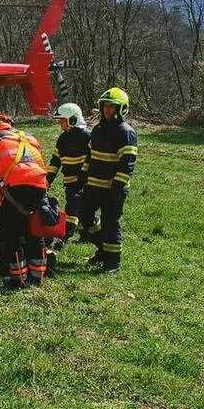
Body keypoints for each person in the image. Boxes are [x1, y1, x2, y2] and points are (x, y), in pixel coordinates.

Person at [0, 113, 49, 288]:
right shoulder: (29, 137)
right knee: (34, 232)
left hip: (17, 188)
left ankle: (18, 279)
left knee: (11, 233)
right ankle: (38, 276)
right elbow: (41, 165)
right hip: (40, 186)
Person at [80, 88, 137, 272]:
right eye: (105, 106)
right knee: (85, 217)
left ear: (122, 109)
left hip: (113, 188)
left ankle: (113, 261)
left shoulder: (125, 132)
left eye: (112, 106)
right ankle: (103, 249)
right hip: (93, 185)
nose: (107, 110)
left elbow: (127, 163)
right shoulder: (97, 130)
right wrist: (83, 174)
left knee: (111, 223)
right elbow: (90, 156)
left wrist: (118, 186)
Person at [45, 102, 91, 244]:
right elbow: (55, 162)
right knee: (82, 211)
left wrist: (83, 175)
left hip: (85, 181)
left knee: (73, 207)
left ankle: (65, 236)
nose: (60, 124)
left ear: (72, 119)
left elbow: (93, 158)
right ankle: (90, 233)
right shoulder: (63, 139)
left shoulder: (87, 136)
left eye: (62, 120)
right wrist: (46, 181)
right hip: (70, 181)